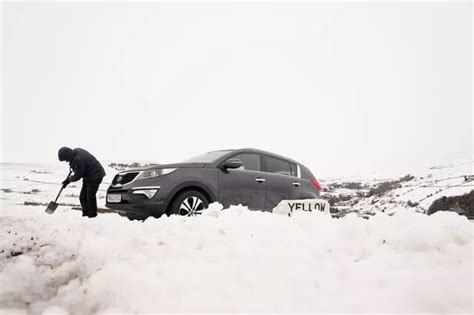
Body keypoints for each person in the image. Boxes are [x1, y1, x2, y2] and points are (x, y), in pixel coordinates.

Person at [58, 147, 106, 218]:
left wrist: (68, 180)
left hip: (96, 175)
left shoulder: (78, 160)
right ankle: (86, 214)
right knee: (82, 197)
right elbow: (79, 169)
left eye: (66, 159)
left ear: (68, 156)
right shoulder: (76, 152)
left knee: (90, 196)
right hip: (88, 176)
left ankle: (92, 215)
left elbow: (78, 176)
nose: (66, 161)